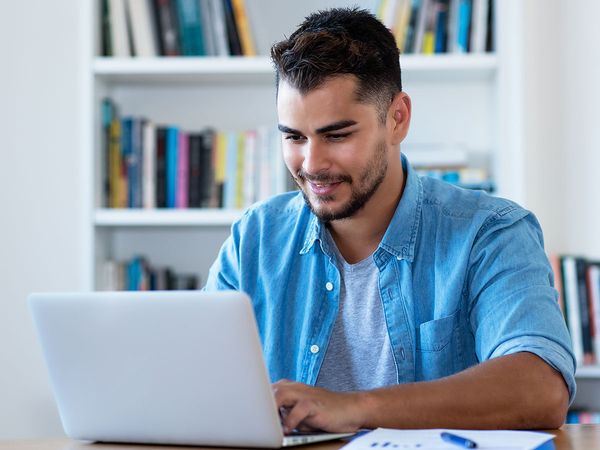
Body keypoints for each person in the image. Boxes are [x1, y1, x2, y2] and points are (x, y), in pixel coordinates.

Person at [203, 7, 575, 432]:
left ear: (397, 118)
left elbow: (540, 390)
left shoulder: (489, 233)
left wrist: (353, 407)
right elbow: (197, 378)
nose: (311, 163)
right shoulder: (255, 237)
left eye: (337, 135)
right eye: (294, 137)